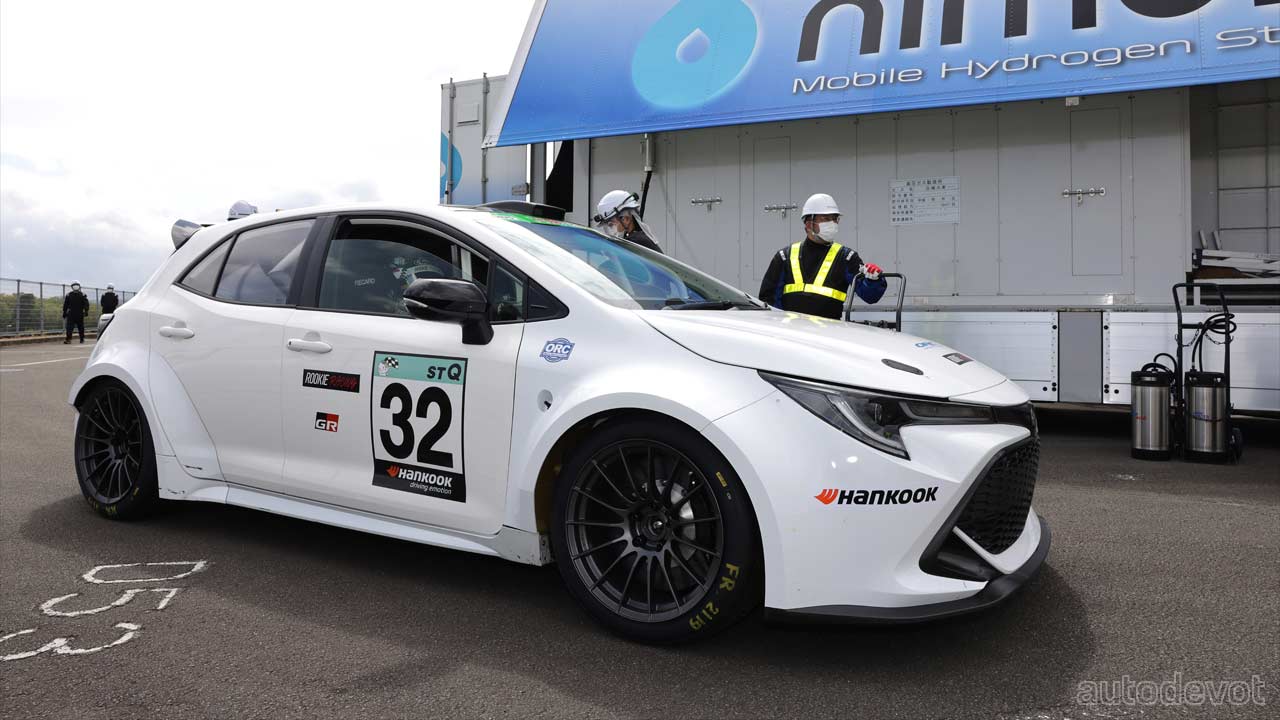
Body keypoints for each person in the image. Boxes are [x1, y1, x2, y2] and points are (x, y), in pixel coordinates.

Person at [758, 193, 887, 320]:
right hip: (793, 331)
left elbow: (870, 297)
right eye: (826, 219)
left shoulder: (846, 257)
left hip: (829, 331)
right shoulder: (784, 257)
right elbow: (769, 301)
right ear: (809, 224)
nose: (832, 223)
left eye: (835, 219)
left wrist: (873, 280)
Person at [593, 190, 663, 254]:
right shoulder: (637, 237)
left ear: (626, 219)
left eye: (611, 224)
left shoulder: (635, 241)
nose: (611, 229)